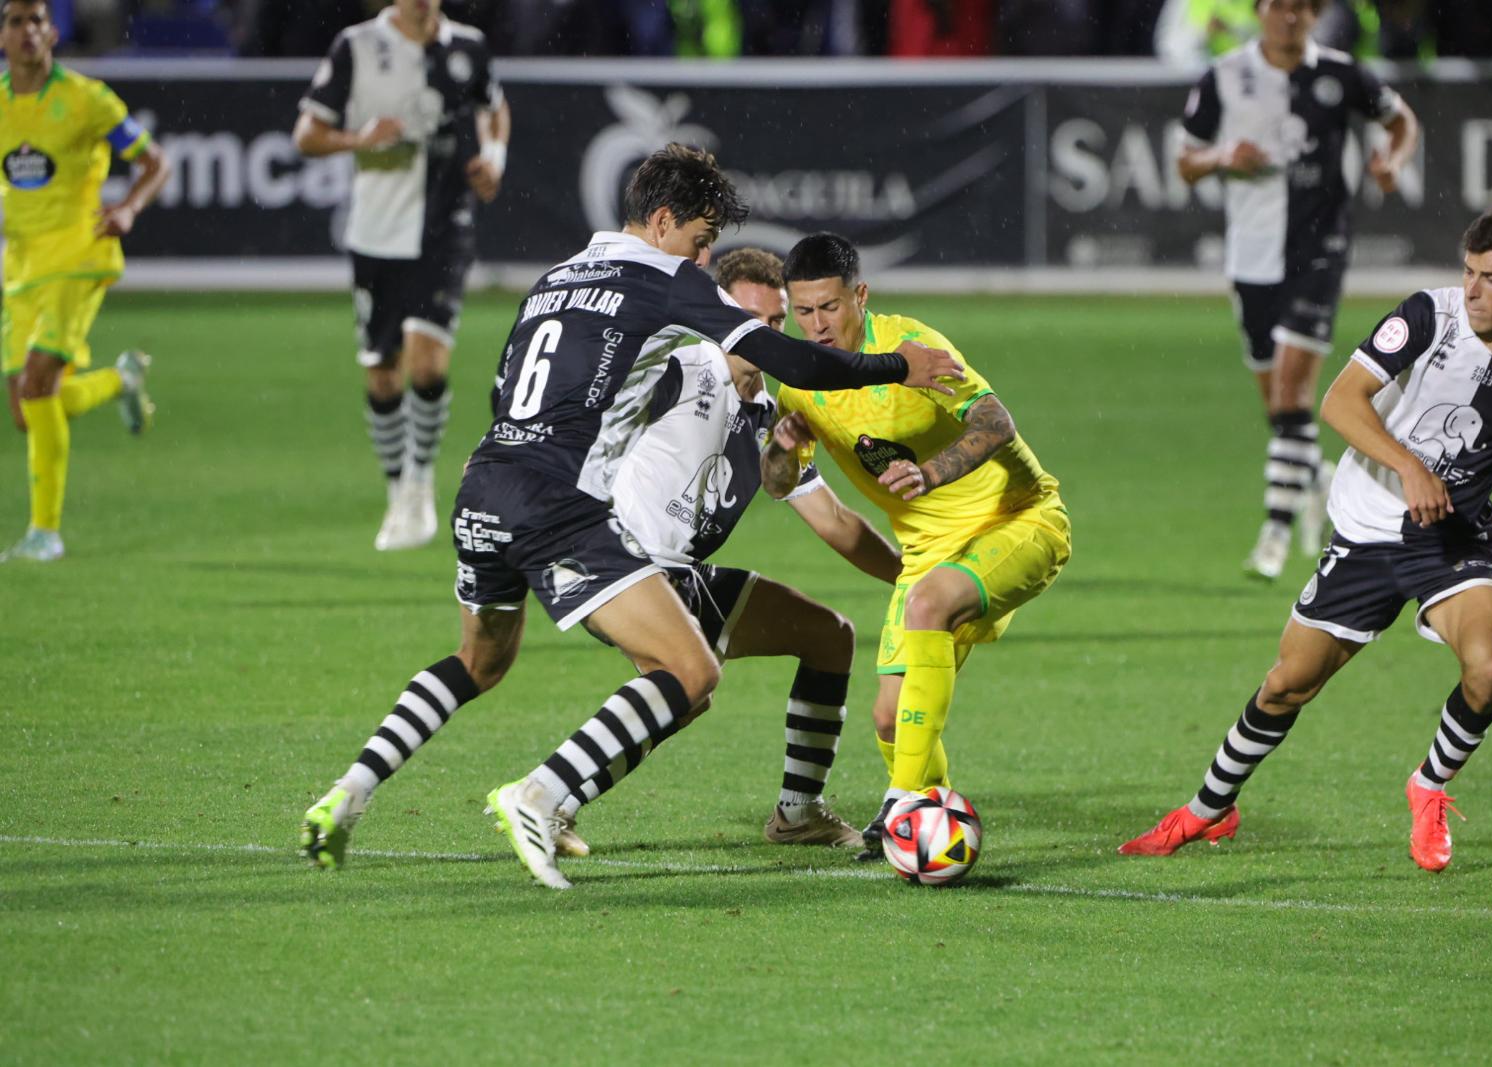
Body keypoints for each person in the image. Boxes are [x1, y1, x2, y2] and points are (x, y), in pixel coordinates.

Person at [299, 144, 964, 887]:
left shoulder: (555, 279)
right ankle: (542, 793)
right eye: (700, 241)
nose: (701, 259)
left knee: (483, 661)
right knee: (687, 672)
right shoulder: (668, 292)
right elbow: (801, 363)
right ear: (662, 220)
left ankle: (349, 791)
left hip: (487, 482)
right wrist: (901, 364)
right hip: (566, 512)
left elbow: (509, 393)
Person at [1120, 209, 1492, 872]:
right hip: (1368, 527)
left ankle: (1429, 786)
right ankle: (1207, 809)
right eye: (1469, 272)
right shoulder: (1429, 317)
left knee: (1490, 666)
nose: (1475, 290)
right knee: (1288, 683)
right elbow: (1342, 401)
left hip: (1450, 540)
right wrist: (1409, 465)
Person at [554, 246, 903, 854]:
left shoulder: (774, 414)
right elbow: (588, 403)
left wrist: (909, 576)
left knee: (827, 638)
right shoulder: (682, 366)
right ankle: (546, 798)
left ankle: (798, 813)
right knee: (684, 686)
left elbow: (834, 521)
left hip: (678, 574)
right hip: (624, 564)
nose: (760, 337)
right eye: (746, 321)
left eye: (773, 325)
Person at [760, 232, 1071, 861]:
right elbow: (776, 486)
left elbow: (995, 422)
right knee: (888, 721)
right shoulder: (800, 382)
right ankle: (934, 828)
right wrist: (782, 450)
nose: (818, 326)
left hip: (1018, 519)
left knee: (928, 604)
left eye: (830, 307)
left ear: (861, 295)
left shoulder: (911, 348)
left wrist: (931, 474)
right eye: (804, 312)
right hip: (930, 553)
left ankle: (899, 806)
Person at [1178, 0, 1418, 580]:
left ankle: (1274, 534)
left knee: (1291, 391)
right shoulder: (1225, 75)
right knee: (1280, 408)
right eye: (1279, 7)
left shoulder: (1340, 72)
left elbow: (1401, 119)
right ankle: (1319, 477)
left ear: (1315, 16)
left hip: (1320, 251)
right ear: (1260, 12)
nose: (1289, 18)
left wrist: (1393, 158)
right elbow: (1186, 160)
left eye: (1301, 8)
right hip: (1252, 253)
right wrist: (1221, 158)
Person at [293, 0, 510, 551]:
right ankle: (396, 489)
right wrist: (358, 139)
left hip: (446, 225)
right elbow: (307, 133)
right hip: (377, 231)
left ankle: (418, 481)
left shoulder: (469, 46)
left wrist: (494, 157)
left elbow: (496, 109)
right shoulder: (357, 46)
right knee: (383, 376)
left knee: (428, 362)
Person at [0, 0, 169, 562]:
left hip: (78, 254)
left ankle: (44, 533)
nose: (27, 31)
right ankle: (119, 381)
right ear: (2, 35)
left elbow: (155, 163)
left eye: (36, 20)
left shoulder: (86, 99)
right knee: (29, 411)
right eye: (15, 21)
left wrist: (128, 210)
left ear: (53, 31)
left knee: (36, 384)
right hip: (21, 266)